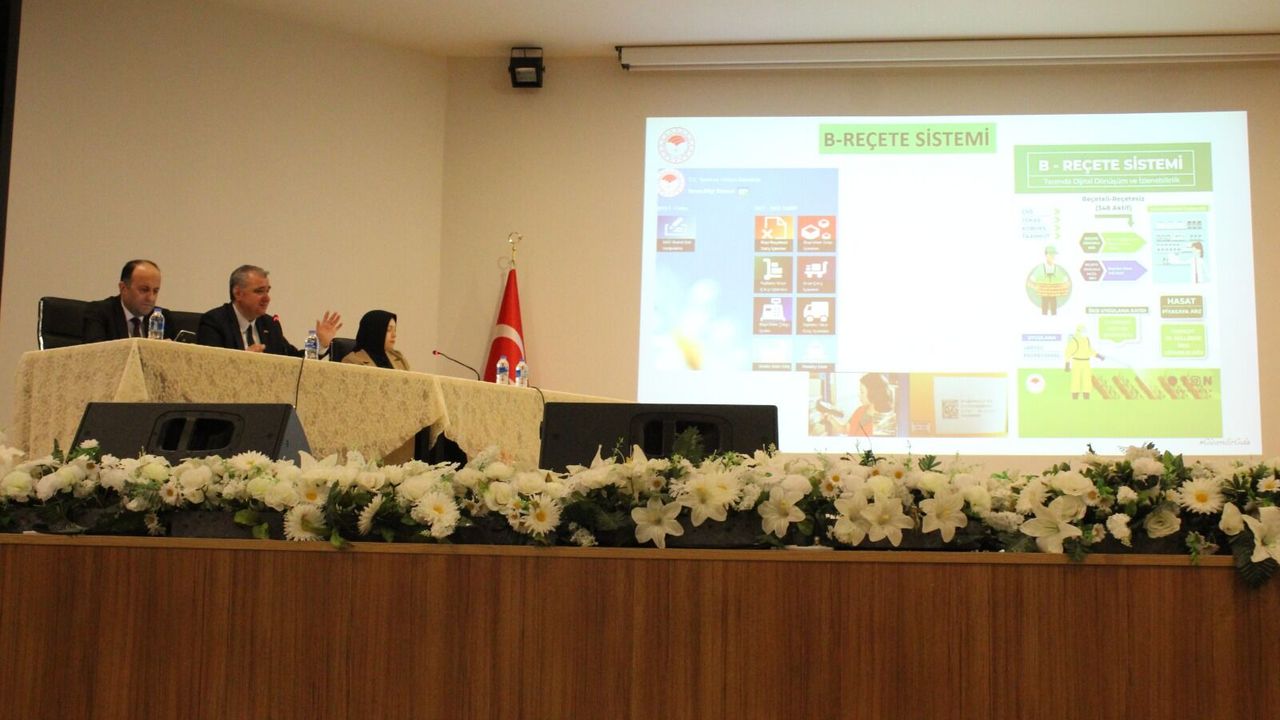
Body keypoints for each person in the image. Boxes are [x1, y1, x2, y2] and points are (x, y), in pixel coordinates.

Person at [196, 264, 342, 357]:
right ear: (238, 293)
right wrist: (241, 360)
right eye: (259, 291)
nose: (267, 298)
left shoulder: (270, 324)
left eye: (268, 291)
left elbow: (294, 362)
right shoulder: (214, 321)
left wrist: (318, 343)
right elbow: (209, 367)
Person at [83, 259, 177, 342]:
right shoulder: (99, 313)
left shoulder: (162, 318)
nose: (151, 298)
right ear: (123, 288)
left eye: (155, 291)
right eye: (144, 290)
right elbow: (96, 353)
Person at [341, 310, 410, 370]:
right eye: (388, 330)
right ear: (374, 331)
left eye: (395, 330)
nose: (394, 335)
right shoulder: (352, 361)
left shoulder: (399, 358)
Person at [846, 373, 895, 437]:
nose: (859, 395)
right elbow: (846, 429)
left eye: (862, 392)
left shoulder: (885, 421)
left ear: (873, 393)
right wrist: (832, 416)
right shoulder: (860, 410)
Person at [1065, 324, 1104, 399]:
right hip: (1076, 362)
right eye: (1083, 331)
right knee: (1075, 380)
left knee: (1087, 381)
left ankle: (1086, 399)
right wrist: (1067, 364)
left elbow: (1090, 350)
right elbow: (1068, 352)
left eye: (1085, 330)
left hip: (1086, 362)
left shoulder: (1086, 339)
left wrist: (1098, 355)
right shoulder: (1074, 340)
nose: (1085, 332)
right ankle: (1075, 400)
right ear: (1078, 331)